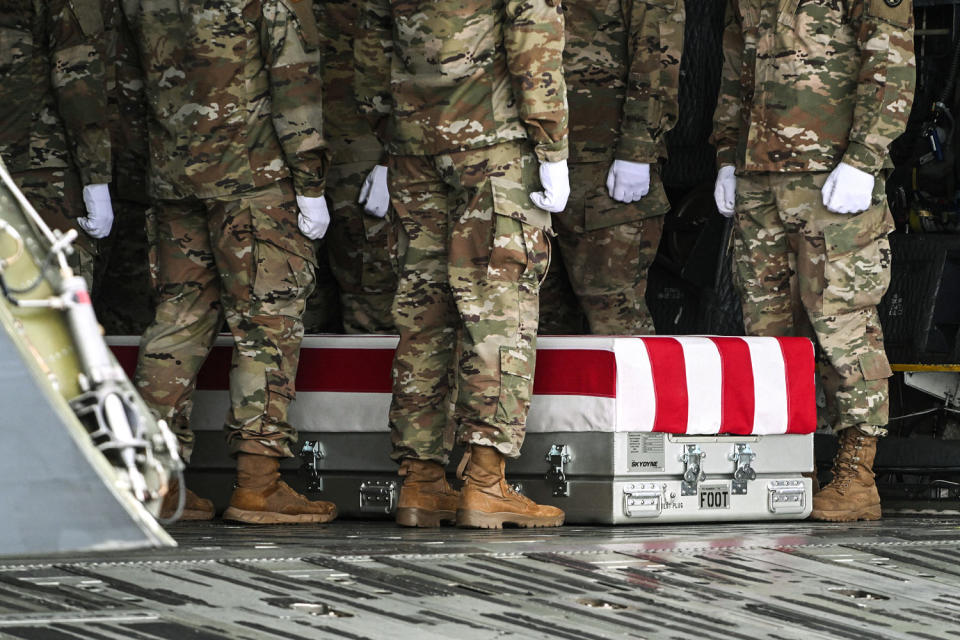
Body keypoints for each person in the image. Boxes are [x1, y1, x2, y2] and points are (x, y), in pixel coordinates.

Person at [356, 0, 570, 528]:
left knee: (421, 312)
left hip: (414, 144)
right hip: (491, 144)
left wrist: (391, 132)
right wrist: (553, 147)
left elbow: (370, 45)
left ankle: (421, 482)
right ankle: (484, 481)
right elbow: (531, 38)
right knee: (498, 308)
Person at [124, 0, 337, 523]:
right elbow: (295, 86)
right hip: (254, 181)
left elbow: (128, 89)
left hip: (175, 177)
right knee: (267, 325)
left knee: (177, 319)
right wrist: (310, 183)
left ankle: (155, 481)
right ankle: (257, 485)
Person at [712, 0, 916, 521]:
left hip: (831, 175)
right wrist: (726, 156)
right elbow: (736, 68)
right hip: (759, 174)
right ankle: (785, 465)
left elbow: (890, 61)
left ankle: (856, 472)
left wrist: (865, 158)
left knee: (842, 319)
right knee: (768, 330)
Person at [543, 0, 684, 335]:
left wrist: (637, 149)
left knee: (615, 319)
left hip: (604, 167)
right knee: (540, 321)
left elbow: (658, 47)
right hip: (535, 158)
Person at [0, 0, 114, 289]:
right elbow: (77, 80)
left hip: (32, 162)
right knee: (58, 298)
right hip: (38, 167)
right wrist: (96, 177)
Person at [306, 0, 397, 335]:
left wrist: (392, 157)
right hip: (296, 158)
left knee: (369, 306)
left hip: (362, 159)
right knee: (299, 305)